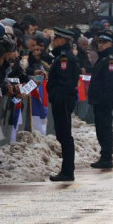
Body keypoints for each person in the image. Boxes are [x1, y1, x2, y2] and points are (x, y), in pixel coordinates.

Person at [45, 28, 82, 182]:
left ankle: (68, 171)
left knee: (65, 135)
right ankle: (67, 170)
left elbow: (64, 82)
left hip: (63, 100)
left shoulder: (64, 59)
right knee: (63, 134)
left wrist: (56, 96)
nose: (53, 40)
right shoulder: (62, 57)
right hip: (63, 99)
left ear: (63, 40)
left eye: (56, 38)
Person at [87, 31, 113, 169]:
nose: (100, 45)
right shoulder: (103, 59)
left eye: (104, 42)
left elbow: (109, 82)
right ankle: (104, 155)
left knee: (104, 128)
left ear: (110, 44)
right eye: (99, 42)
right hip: (98, 99)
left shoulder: (110, 59)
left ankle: (107, 157)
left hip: (104, 100)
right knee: (100, 128)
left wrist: (105, 99)